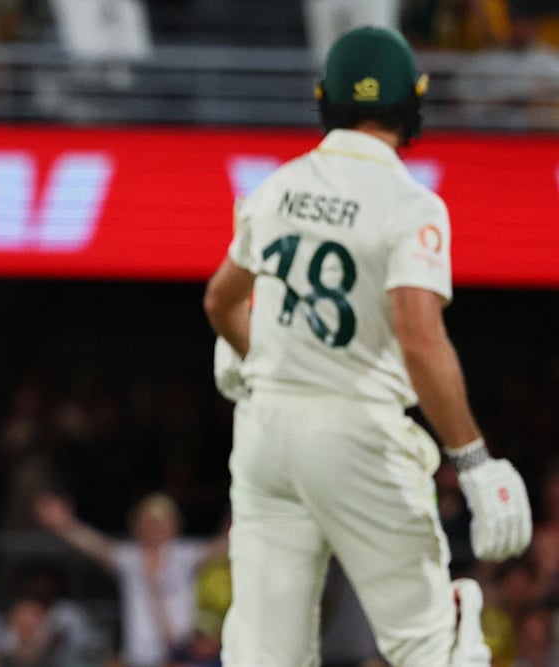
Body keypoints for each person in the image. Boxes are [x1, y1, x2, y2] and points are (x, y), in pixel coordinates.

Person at [203, 25, 533, 666]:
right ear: (413, 103)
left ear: (325, 100)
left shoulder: (276, 187)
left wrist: (256, 358)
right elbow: (418, 334)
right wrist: (474, 461)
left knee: (263, 655)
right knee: (433, 647)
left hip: (265, 433)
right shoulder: (410, 205)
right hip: (355, 432)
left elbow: (221, 300)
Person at [34, 491, 229, 667]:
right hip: (137, 658)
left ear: (174, 525)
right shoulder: (130, 558)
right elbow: (95, 545)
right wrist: (64, 525)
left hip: (179, 657)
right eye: (149, 522)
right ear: (137, 526)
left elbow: (225, 546)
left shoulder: (184, 555)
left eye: (161, 521)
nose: (155, 528)